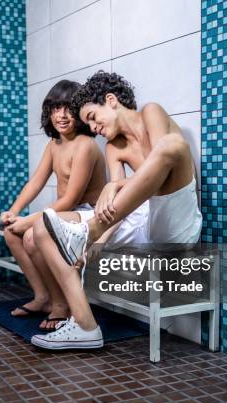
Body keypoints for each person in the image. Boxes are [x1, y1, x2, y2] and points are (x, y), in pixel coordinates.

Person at [30, 71, 202, 349]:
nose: (93, 127)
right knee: (44, 226)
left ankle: (85, 233)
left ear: (111, 100)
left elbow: (161, 163)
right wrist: (97, 245)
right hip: (138, 222)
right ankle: (85, 325)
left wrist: (116, 184)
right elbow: (119, 209)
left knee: (172, 145)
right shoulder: (113, 148)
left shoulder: (151, 112)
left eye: (93, 117)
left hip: (173, 219)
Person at [0, 79, 107, 330]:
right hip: (67, 211)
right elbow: (35, 183)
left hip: (87, 213)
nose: (61, 115)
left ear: (79, 112)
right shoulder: (54, 144)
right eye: (55, 108)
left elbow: (72, 198)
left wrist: (31, 219)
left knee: (30, 236)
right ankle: (43, 297)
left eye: (69, 108)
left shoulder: (86, 146)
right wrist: (14, 212)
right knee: (11, 232)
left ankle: (61, 305)